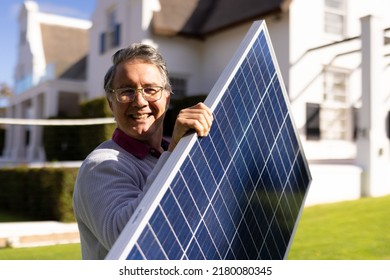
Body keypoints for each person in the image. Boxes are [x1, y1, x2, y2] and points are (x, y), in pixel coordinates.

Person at [72, 43, 213, 260]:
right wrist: (174, 151)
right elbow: (126, 237)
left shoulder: (183, 152)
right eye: (126, 91)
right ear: (111, 102)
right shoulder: (100, 166)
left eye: (150, 89)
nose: (139, 101)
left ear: (167, 97)